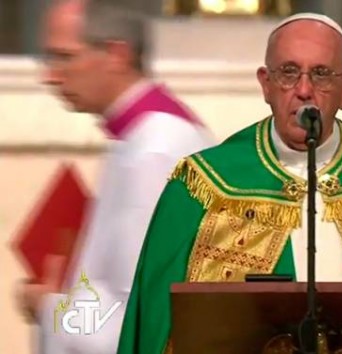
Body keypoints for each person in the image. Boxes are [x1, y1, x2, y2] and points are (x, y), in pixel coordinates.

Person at [117, 12, 342, 354]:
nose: (304, 90)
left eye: (322, 74)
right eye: (289, 72)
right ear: (266, 84)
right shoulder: (205, 186)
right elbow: (156, 324)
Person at [15, 0, 215, 353]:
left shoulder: (155, 149)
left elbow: (136, 317)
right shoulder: (143, 136)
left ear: (117, 55)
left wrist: (48, 307)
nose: (50, 75)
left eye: (64, 57)